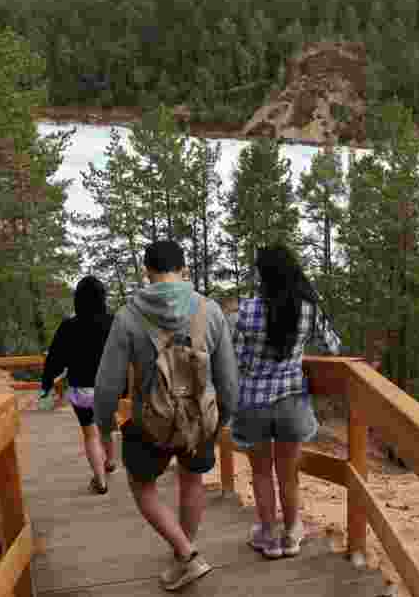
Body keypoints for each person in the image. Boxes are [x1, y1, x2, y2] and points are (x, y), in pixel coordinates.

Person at [94, 240, 238, 591]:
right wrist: (223, 417)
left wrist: (103, 424)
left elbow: (107, 384)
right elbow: (228, 379)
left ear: (147, 271)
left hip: (150, 421)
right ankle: (184, 553)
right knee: (192, 480)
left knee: (141, 486)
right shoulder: (210, 312)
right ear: (183, 268)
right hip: (199, 419)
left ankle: (186, 555)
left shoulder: (128, 316)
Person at [232, 244, 340, 559]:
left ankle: (267, 536)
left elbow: (237, 360)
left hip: (253, 402)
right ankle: (292, 534)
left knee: (262, 472)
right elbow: (332, 346)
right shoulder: (308, 307)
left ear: (263, 275)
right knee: (289, 473)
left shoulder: (247, 310)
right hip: (292, 400)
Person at [39, 275, 116, 494]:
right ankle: (110, 461)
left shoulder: (69, 326)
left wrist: (46, 385)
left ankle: (100, 480)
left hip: (81, 389)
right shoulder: (114, 322)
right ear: (102, 297)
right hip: (110, 389)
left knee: (91, 434)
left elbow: (55, 359)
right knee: (107, 426)